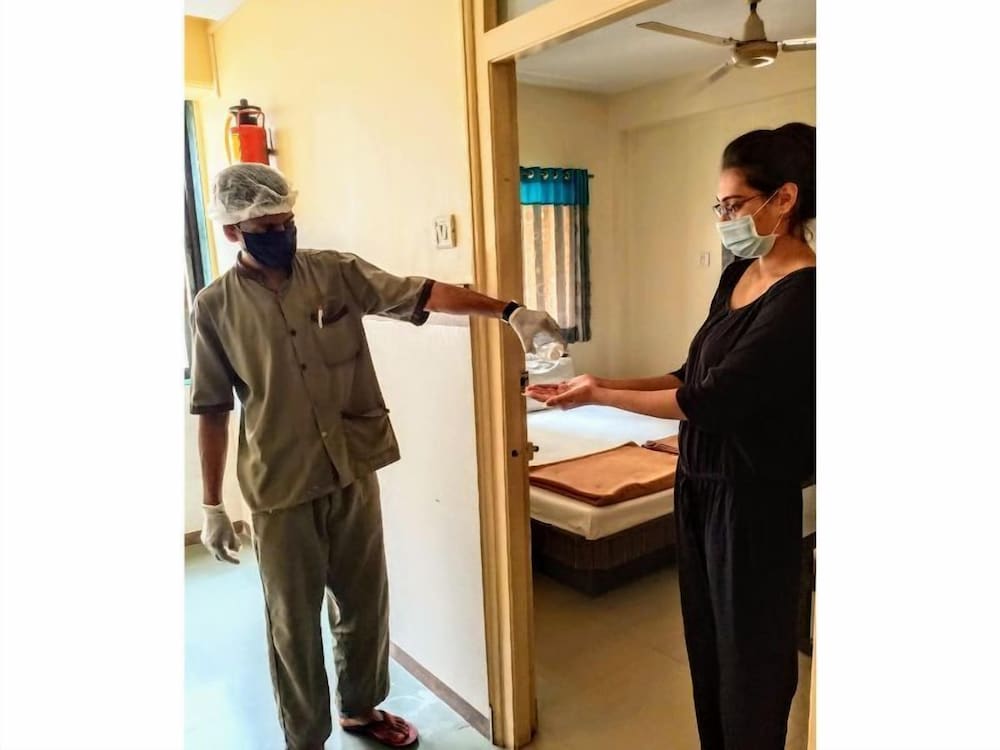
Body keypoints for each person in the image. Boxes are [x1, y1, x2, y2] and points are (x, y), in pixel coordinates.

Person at [191, 162, 564, 750]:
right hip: (280, 484)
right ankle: (305, 740)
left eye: (287, 221)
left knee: (365, 601)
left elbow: (419, 292)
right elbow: (212, 407)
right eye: (265, 227)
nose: (281, 234)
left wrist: (509, 311)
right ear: (233, 229)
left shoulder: (334, 273)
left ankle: (360, 710)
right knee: (292, 623)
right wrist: (212, 504)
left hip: (350, 466)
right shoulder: (214, 307)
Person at [527, 122, 816, 750]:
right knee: (707, 644)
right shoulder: (738, 275)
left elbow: (711, 402)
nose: (725, 219)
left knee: (752, 660)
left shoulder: (806, 298)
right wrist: (597, 381)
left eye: (734, 205)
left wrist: (602, 397)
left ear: (785, 199)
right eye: (719, 207)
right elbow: (689, 375)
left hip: (750, 499)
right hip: (696, 483)